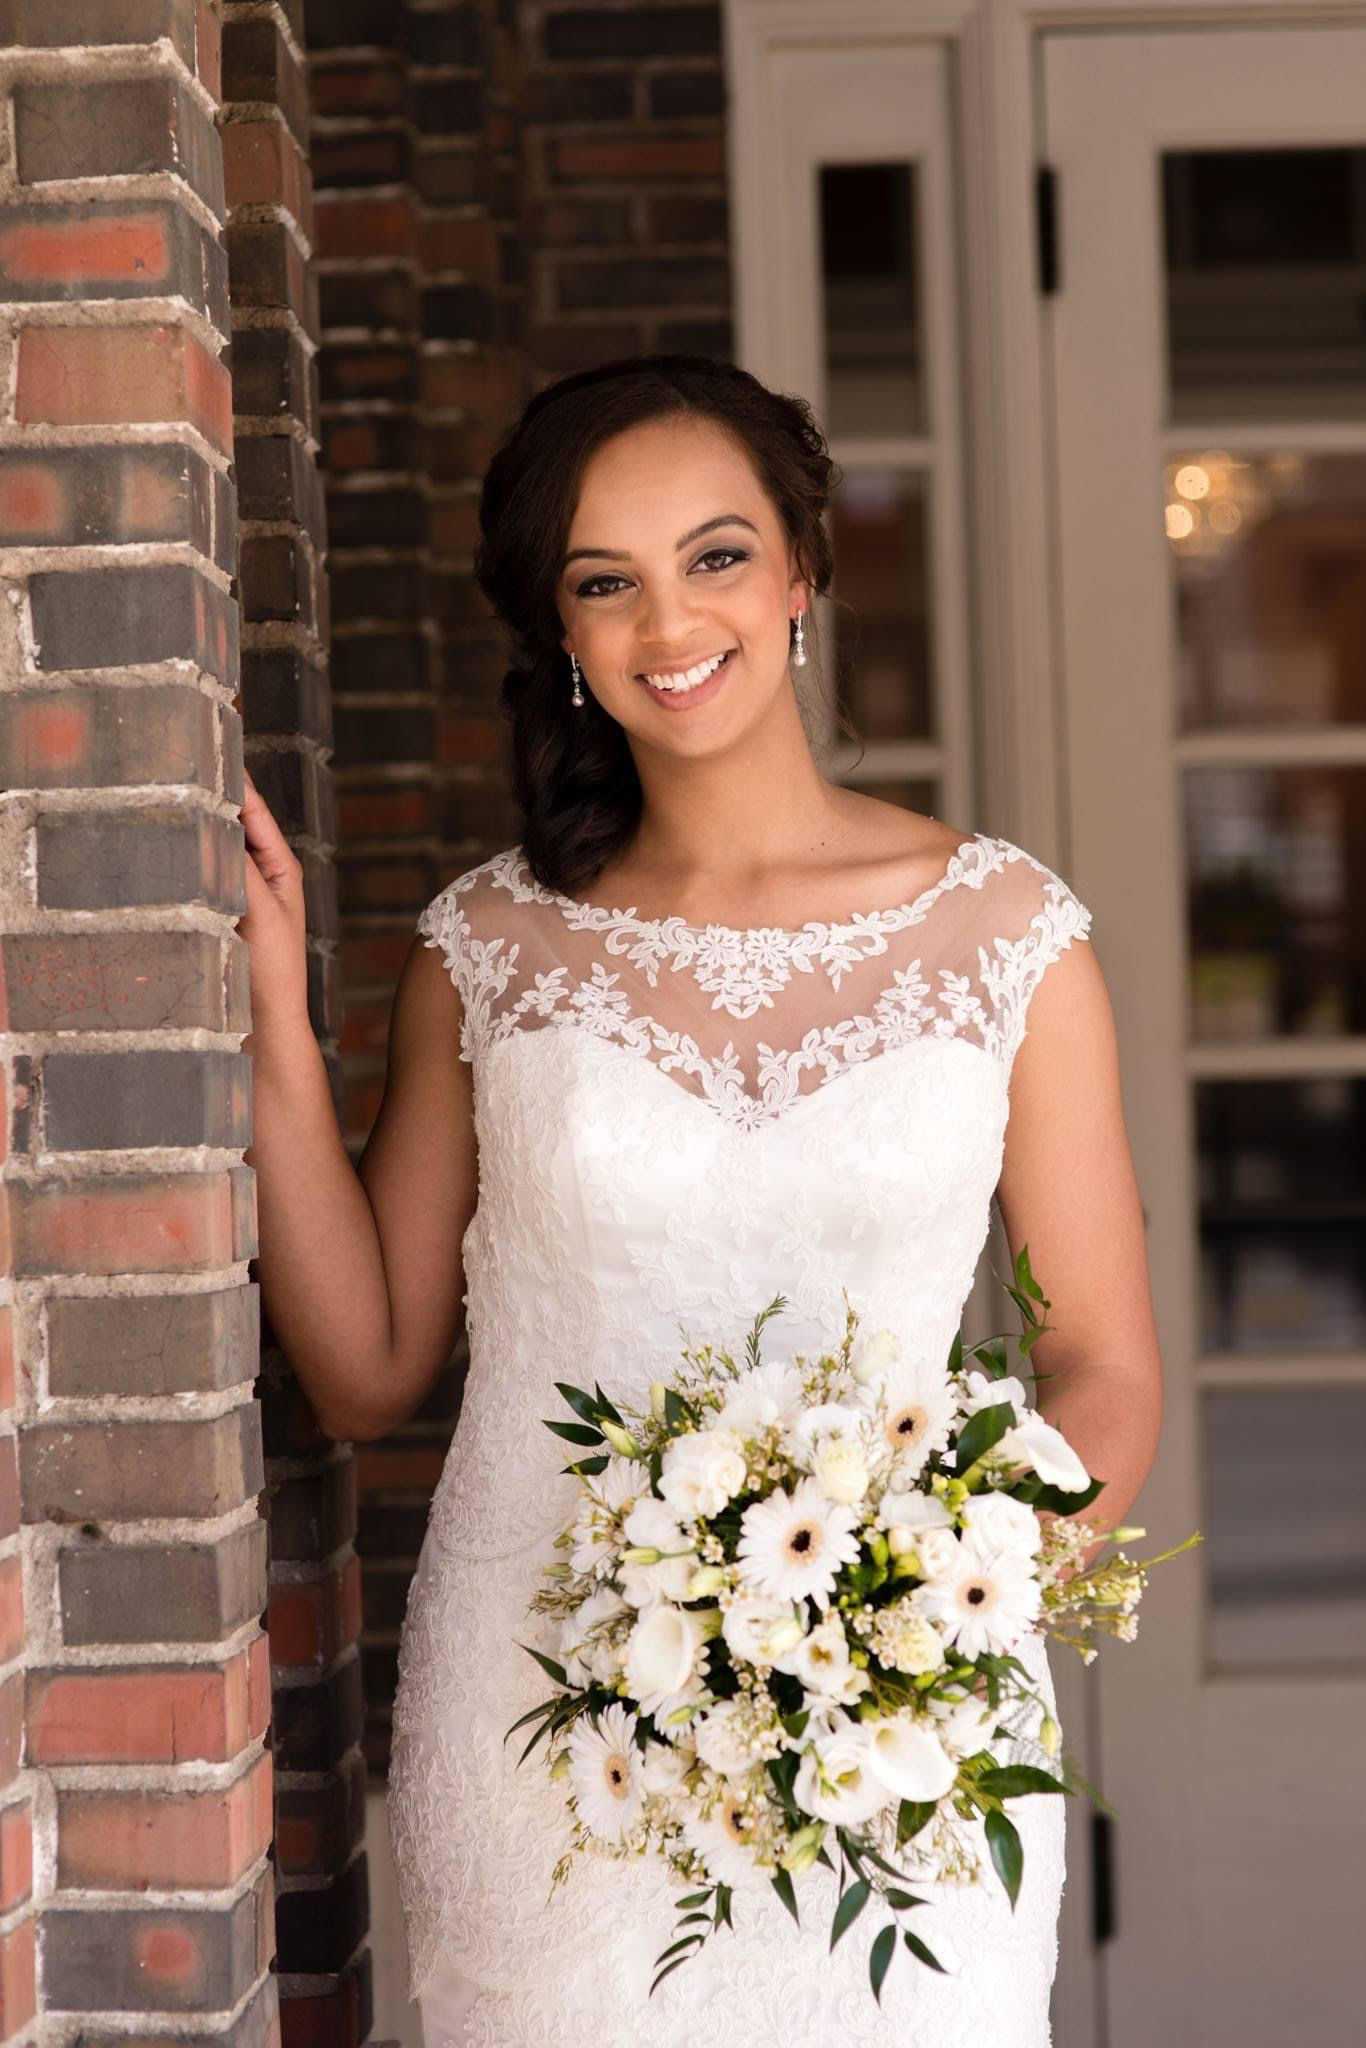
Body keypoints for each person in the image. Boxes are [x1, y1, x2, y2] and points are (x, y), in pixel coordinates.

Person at [241, 354, 1163, 2046]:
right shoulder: (487, 953)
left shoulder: (1005, 936)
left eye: (716, 555)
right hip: (543, 1725)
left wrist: (915, 1607)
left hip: (901, 1758)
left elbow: (1101, 1363)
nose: (671, 619)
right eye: (607, 583)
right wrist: (269, 1034)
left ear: (803, 571)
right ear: (565, 638)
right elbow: (366, 1371)